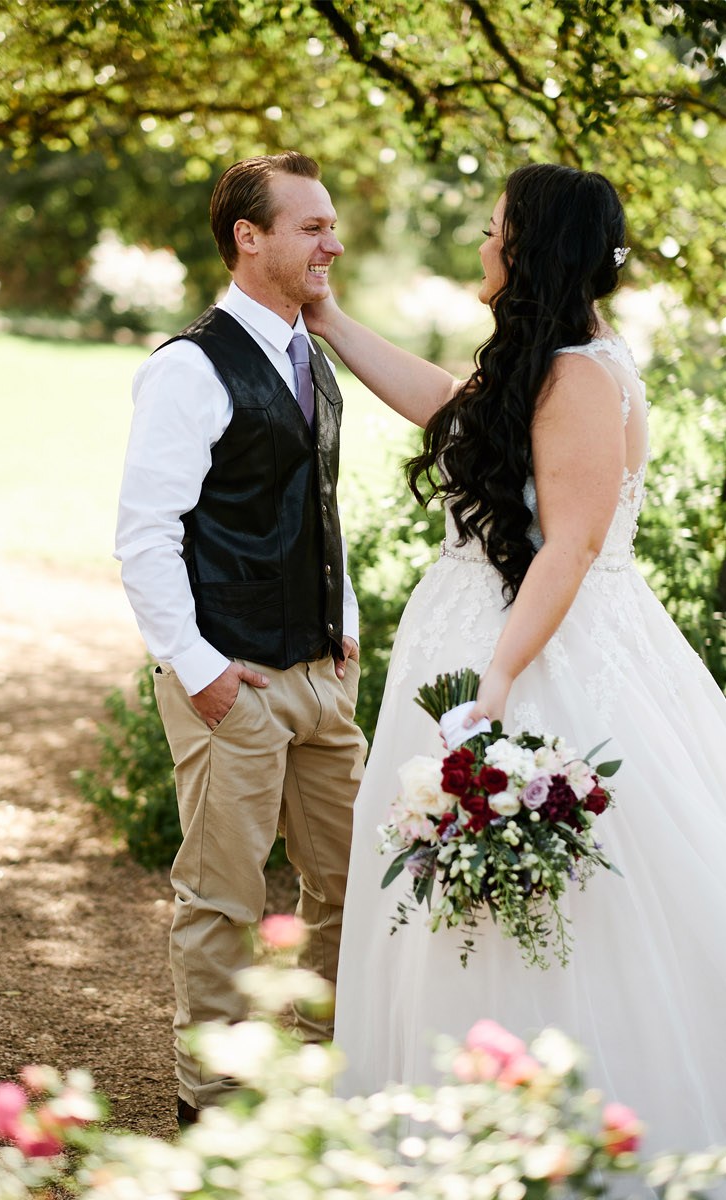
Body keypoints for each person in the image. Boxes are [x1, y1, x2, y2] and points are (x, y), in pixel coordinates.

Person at [319, 163, 726, 1150]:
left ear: (530, 247)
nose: (484, 244)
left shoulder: (582, 372)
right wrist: (328, 318)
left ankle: (542, 1126)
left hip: (549, 656)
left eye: (497, 229)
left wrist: (496, 684)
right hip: (479, 632)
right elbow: (446, 407)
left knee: (548, 896)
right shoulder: (544, 358)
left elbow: (576, 545)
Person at [114, 151, 366, 1127]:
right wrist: (206, 674)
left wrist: (343, 630)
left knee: (347, 887)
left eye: (331, 225)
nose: (331, 243)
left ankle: (319, 1077)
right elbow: (145, 536)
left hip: (321, 678)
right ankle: (211, 1110)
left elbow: (318, 507)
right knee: (222, 904)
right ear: (246, 239)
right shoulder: (187, 367)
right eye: (311, 227)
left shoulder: (312, 356)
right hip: (237, 683)